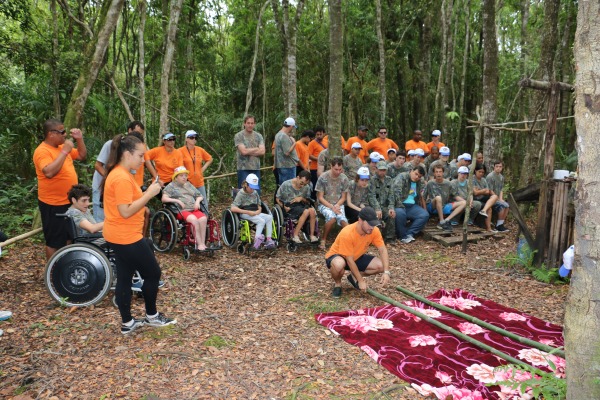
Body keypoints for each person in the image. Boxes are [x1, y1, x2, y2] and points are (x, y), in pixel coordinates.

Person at [102, 134, 175, 335]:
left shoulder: (122, 173)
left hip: (119, 234)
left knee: (125, 276)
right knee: (153, 273)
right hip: (126, 236)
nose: (143, 160)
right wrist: (149, 194)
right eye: (140, 155)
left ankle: (128, 322)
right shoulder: (121, 177)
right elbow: (125, 211)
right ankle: (151, 315)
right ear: (127, 154)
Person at [33, 119, 87, 260]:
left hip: (68, 202)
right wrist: (64, 151)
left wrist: (79, 139)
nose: (64, 135)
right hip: (53, 204)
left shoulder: (61, 147)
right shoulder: (42, 151)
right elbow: (49, 172)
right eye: (62, 131)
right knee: (54, 241)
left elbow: (81, 156)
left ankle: (65, 268)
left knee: (69, 236)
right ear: (51, 134)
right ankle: (52, 273)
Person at [325, 207, 390, 298]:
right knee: (339, 264)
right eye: (370, 224)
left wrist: (386, 272)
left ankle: (353, 276)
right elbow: (349, 260)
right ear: (360, 220)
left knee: (381, 266)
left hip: (356, 256)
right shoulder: (347, 233)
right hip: (339, 256)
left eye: (374, 224)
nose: (372, 227)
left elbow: (382, 249)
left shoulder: (374, 231)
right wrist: (360, 281)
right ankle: (338, 284)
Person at [93, 121, 145, 222]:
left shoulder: (130, 163)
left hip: (116, 187)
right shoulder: (111, 144)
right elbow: (98, 165)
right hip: (101, 187)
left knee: (114, 216)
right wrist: (110, 182)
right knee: (101, 219)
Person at [162, 166, 208, 251]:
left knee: (203, 219)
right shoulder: (171, 186)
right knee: (193, 220)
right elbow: (164, 199)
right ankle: (200, 244)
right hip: (181, 210)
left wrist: (197, 202)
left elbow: (200, 196)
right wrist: (177, 201)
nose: (184, 177)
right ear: (176, 177)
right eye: (181, 175)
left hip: (193, 209)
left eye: (185, 175)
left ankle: (202, 243)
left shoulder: (189, 185)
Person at [231, 174, 277, 250]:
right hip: (245, 213)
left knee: (269, 217)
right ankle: (256, 242)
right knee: (261, 221)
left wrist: (259, 210)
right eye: (251, 187)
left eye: (254, 188)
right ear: (246, 185)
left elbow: (259, 205)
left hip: (255, 212)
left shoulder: (255, 193)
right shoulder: (241, 194)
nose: (252, 190)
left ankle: (268, 239)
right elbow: (233, 208)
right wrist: (247, 212)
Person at [275, 170, 318, 244]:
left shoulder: (306, 187)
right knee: (306, 211)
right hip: (289, 206)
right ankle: (295, 235)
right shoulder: (286, 184)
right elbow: (277, 198)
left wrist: (301, 198)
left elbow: (308, 201)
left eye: (304, 184)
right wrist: (283, 207)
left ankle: (311, 235)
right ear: (298, 177)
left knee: (312, 211)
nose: (302, 186)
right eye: (301, 183)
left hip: (301, 205)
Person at [315, 157, 350, 249]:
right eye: (336, 169)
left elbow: (344, 197)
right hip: (325, 204)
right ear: (331, 166)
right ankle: (323, 239)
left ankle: (348, 241)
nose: (338, 172)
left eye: (340, 169)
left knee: (344, 221)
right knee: (332, 218)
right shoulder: (323, 177)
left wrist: (337, 205)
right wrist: (331, 207)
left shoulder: (344, 178)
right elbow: (320, 197)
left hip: (338, 204)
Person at [392, 166, 429, 243]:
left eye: (419, 176)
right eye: (416, 174)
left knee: (424, 215)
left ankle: (409, 233)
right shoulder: (402, 176)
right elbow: (396, 193)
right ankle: (402, 236)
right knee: (400, 213)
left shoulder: (419, 182)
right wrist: (400, 206)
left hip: (411, 206)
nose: (417, 177)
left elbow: (421, 195)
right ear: (411, 170)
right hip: (399, 204)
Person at [424, 165, 467, 232]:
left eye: (440, 172)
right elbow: (423, 197)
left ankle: (446, 220)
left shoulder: (448, 183)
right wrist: (425, 211)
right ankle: (441, 222)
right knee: (438, 198)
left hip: (444, 206)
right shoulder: (430, 183)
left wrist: (466, 202)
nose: (438, 173)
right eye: (436, 172)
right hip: (432, 206)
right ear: (434, 173)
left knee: (464, 203)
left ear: (443, 173)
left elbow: (455, 195)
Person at [179, 130, 213, 212]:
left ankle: (206, 222)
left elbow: (210, 158)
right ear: (186, 139)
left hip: (199, 182)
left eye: (195, 137)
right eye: (191, 137)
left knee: (204, 204)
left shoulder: (200, 150)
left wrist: (202, 169)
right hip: (187, 183)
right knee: (189, 205)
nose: (194, 139)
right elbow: (179, 167)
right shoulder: (180, 151)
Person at [234, 115, 266, 190]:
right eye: (248, 123)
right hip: (243, 168)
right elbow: (243, 152)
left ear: (254, 124)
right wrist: (256, 148)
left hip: (256, 168)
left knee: (256, 191)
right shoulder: (239, 136)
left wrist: (248, 150)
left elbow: (262, 151)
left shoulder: (259, 136)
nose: (250, 125)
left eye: (252, 123)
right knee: (243, 191)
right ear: (244, 124)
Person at [368, 161, 396, 243]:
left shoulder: (389, 180)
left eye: (384, 170)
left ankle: (389, 238)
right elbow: (371, 196)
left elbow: (391, 195)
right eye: (380, 170)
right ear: (376, 169)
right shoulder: (372, 180)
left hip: (385, 206)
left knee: (391, 215)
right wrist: (377, 208)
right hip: (374, 207)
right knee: (376, 217)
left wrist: (391, 207)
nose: (382, 172)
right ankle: (376, 239)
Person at [274, 117, 301, 185]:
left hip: (281, 165)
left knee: (283, 186)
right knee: (289, 186)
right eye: (293, 127)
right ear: (291, 126)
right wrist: (294, 143)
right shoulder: (283, 136)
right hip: (288, 166)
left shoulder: (278, 134)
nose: (292, 129)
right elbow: (287, 152)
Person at [472, 163, 498, 232]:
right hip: (475, 199)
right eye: (479, 172)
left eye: (482, 172)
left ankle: (488, 228)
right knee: (491, 203)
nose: (481, 173)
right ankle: (483, 211)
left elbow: (488, 191)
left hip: (483, 198)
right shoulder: (472, 179)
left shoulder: (483, 180)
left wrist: (480, 191)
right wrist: (483, 190)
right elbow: (475, 193)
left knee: (491, 205)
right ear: (475, 171)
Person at [486, 160, 510, 232]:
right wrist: (496, 198)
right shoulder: (490, 176)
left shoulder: (501, 177)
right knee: (501, 205)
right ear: (494, 167)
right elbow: (489, 190)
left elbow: (501, 189)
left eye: (500, 167)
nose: (498, 168)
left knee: (507, 205)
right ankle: (498, 226)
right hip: (490, 198)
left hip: (497, 197)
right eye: (497, 166)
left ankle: (500, 224)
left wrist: (501, 198)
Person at [307, 126, 328, 197]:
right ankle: (312, 200)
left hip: (325, 168)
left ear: (324, 134)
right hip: (314, 168)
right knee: (315, 185)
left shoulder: (326, 142)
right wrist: (318, 159)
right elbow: (309, 155)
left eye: (320, 134)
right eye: (317, 134)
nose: (319, 136)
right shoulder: (312, 143)